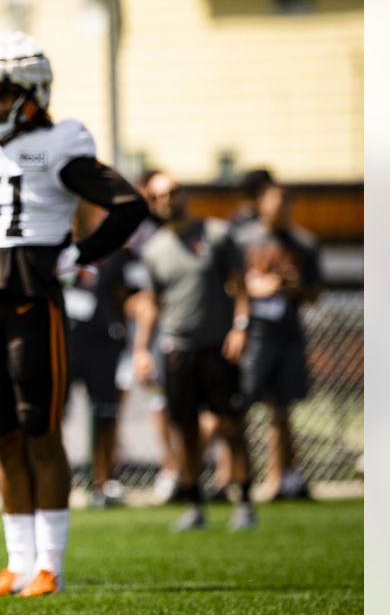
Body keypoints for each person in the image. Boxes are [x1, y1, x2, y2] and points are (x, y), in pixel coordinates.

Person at [0, 31, 147, 598]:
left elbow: (128, 204)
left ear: (31, 93)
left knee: (41, 431)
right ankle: (16, 563)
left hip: (31, 296)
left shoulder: (59, 143)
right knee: (2, 435)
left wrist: (79, 253)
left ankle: (49, 567)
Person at [132, 171, 257, 532]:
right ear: (153, 204)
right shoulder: (154, 250)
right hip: (178, 349)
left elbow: (240, 287)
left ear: (184, 195)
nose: (167, 201)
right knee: (184, 431)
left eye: (173, 193)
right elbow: (152, 303)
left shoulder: (217, 235)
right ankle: (193, 502)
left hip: (219, 347)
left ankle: (245, 499)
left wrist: (240, 326)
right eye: (159, 196)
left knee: (232, 425)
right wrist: (142, 349)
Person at [233, 182, 322, 500]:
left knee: (282, 410)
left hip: (288, 335)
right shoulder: (243, 239)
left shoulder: (304, 243)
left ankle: (281, 479)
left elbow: (314, 295)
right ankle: (234, 477)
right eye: (274, 202)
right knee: (239, 407)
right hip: (254, 334)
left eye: (286, 202)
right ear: (261, 204)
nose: (281, 208)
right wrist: (260, 287)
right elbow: (231, 287)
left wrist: (295, 287)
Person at [65, 204, 140, 508]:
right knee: (52, 416)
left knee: (106, 413)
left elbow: (132, 294)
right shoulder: (61, 250)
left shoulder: (118, 256)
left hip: (104, 345)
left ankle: (104, 481)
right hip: (66, 342)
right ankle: (54, 480)